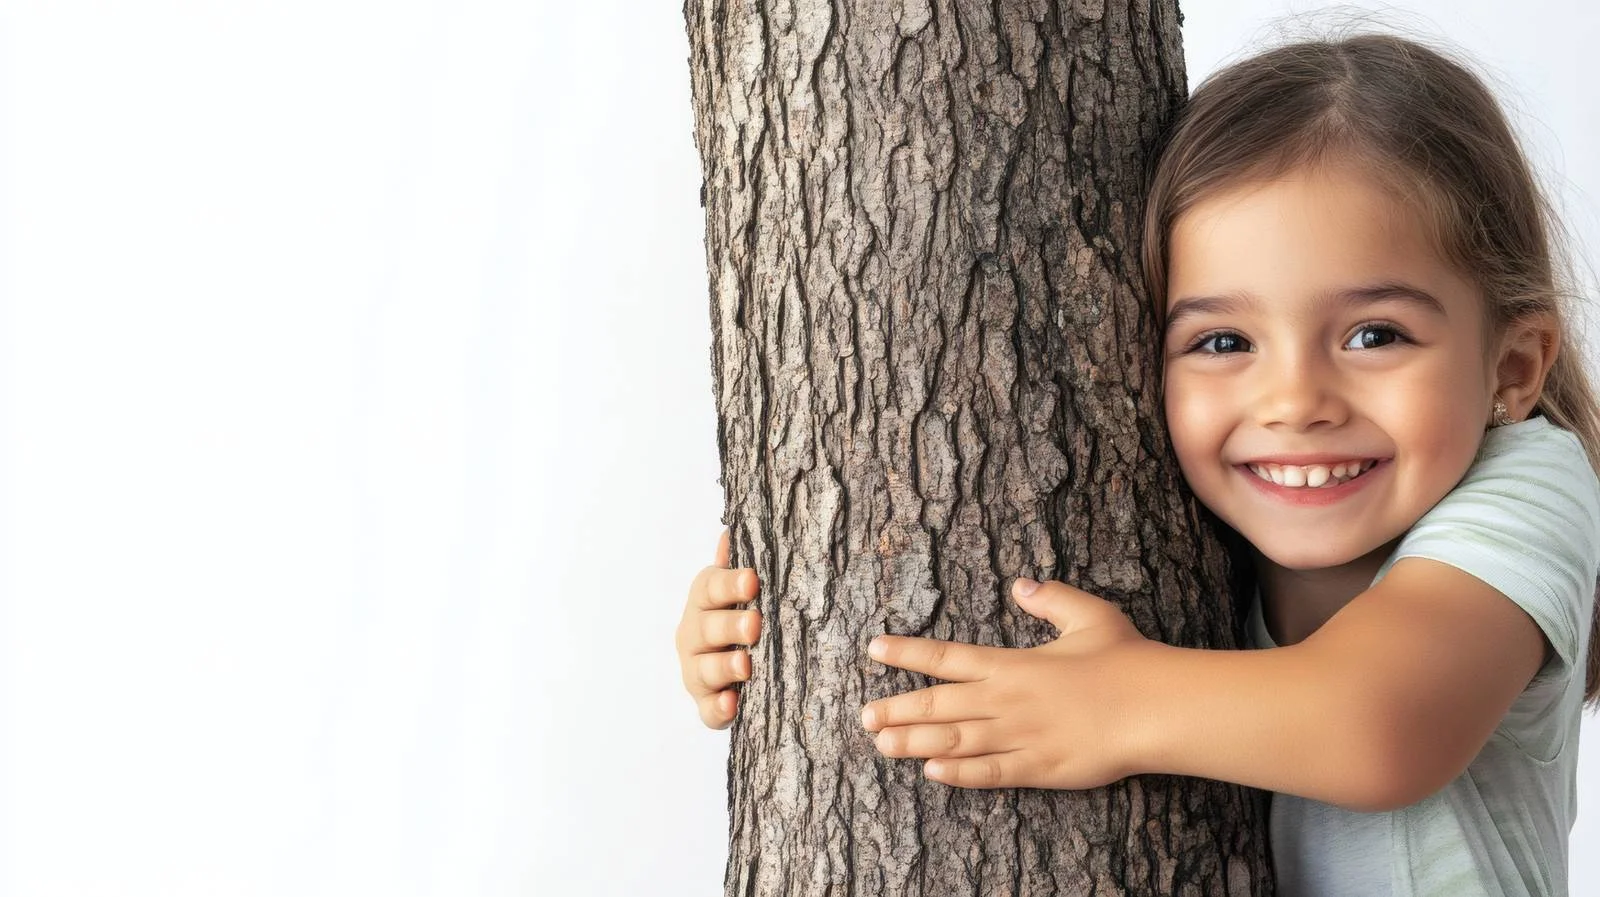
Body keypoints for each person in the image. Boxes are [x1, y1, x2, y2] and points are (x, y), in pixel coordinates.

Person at [674, 32, 1600, 897]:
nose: (1294, 401)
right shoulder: (1213, 523)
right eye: (1225, 339)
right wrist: (760, 623)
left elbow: (1384, 725)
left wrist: (1116, 704)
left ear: (1512, 368)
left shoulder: (1528, 486)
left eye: (1373, 333)